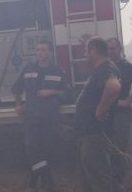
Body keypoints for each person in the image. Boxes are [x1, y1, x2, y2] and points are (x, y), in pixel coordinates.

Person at [11, 40, 68, 192]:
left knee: (47, 148)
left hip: (51, 117)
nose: (40, 53)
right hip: (32, 116)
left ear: (50, 52)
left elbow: (67, 93)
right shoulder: (28, 69)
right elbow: (16, 89)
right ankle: (48, 179)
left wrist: (51, 92)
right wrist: (18, 104)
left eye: (44, 50)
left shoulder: (58, 71)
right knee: (31, 146)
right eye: (38, 50)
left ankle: (34, 180)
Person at [75, 36, 122, 192]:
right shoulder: (101, 70)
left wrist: (100, 109)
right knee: (90, 177)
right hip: (90, 133)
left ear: (93, 50)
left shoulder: (106, 68)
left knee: (99, 178)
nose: (84, 54)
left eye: (86, 50)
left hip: (96, 134)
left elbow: (114, 87)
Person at [107, 38, 132, 182]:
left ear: (120, 49)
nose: (111, 51)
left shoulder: (126, 66)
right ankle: (112, 179)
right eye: (108, 49)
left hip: (121, 114)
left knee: (119, 148)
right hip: (107, 114)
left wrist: (128, 101)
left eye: (113, 48)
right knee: (109, 147)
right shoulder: (106, 67)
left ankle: (121, 180)